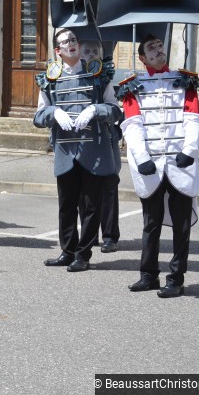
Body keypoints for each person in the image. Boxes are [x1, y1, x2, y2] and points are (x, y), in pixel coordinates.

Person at [118, 34, 199, 298]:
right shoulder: (132, 86)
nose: (158, 50)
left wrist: (189, 150)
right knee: (150, 223)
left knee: (181, 225)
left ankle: (176, 278)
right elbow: (132, 125)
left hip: (179, 162)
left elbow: (193, 117)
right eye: (151, 48)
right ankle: (148, 275)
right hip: (151, 163)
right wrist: (142, 158)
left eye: (160, 46)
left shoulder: (184, 80)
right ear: (142, 57)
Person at [34, 29, 122, 272]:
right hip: (65, 152)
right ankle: (67, 250)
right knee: (66, 205)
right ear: (57, 50)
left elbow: (116, 110)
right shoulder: (49, 79)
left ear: (79, 45)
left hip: (93, 151)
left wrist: (96, 110)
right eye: (64, 42)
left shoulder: (99, 74)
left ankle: (83, 255)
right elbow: (39, 116)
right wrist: (54, 113)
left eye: (73, 40)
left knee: (91, 206)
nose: (70, 44)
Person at [79, 39, 121, 253]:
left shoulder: (105, 78)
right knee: (83, 192)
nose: (91, 55)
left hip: (105, 140)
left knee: (108, 188)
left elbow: (114, 109)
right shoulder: (74, 77)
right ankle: (89, 234)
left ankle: (110, 236)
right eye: (87, 51)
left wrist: (98, 111)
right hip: (82, 143)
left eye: (95, 51)